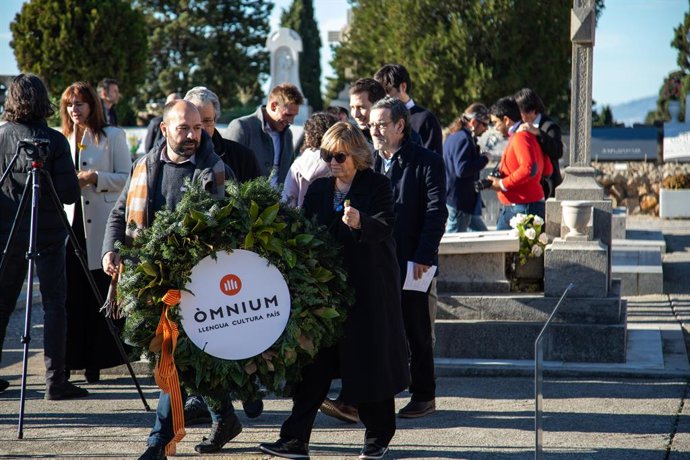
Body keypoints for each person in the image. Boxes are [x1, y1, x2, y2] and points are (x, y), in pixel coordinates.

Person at [259, 122, 409, 460]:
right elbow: (306, 232)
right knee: (315, 365)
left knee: (369, 364)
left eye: (339, 155)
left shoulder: (377, 185)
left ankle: (378, 436)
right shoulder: (317, 188)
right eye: (327, 155)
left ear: (356, 154)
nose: (333, 162)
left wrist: (360, 223)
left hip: (369, 288)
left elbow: (385, 226)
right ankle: (295, 438)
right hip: (326, 291)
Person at [101, 100, 237, 460]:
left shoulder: (217, 171)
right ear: (164, 129)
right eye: (184, 129)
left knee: (172, 357)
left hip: (199, 283)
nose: (193, 135)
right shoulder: (143, 166)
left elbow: (230, 224)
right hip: (152, 281)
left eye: (197, 128)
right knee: (184, 357)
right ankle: (224, 415)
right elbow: (119, 213)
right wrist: (110, 251)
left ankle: (158, 441)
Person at [0, 74, 86, 399]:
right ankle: (56, 381)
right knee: (54, 305)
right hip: (48, 233)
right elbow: (68, 195)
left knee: (2, 304)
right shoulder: (54, 140)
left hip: (7, 234)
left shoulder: (1, 136)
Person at [370, 96, 447, 418]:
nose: (374, 130)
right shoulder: (370, 161)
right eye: (371, 125)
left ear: (400, 126)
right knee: (379, 328)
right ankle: (377, 393)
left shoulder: (426, 162)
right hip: (378, 261)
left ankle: (423, 394)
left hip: (415, 261)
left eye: (381, 124)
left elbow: (435, 213)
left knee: (416, 330)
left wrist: (424, 258)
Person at [60, 81, 132, 383]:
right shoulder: (61, 137)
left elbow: (128, 178)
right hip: (70, 227)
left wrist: (95, 178)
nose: (74, 110)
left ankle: (96, 363)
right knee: (70, 297)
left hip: (101, 227)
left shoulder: (113, 136)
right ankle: (67, 362)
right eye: (69, 105)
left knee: (98, 296)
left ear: (92, 105)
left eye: (79, 104)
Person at [488, 97, 550, 230]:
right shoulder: (530, 136)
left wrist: (501, 184)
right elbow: (547, 169)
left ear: (506, 120)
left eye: (495, 123)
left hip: (521, 207)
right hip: (523, 206)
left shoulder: (520, 137)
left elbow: (528, 168)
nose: (495, 128)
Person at [225, 83, 303, 187]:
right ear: (273, 106)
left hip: (279, 202)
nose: (291, 121)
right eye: (288, 115)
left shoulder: (287, 135)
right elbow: (226, 171)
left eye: (294, 116)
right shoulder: (242, 127)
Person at [184, 86, 261, 183]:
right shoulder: (170, 156)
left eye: (207, 121)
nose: (202, 127)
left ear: (215, 121)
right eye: (196, 121)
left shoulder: (242, 157)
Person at [374, 64, 444, 155]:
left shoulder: (425, 119)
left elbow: (434, 162)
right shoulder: (375, 119)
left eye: (387, 92)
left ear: (403, 87)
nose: (383, 99)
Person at [443, 103, 491, 233]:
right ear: (474, 122)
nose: (487, 129)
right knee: (454, 241)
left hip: (459, 199)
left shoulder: (454, 135)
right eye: (485, 124)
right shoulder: (463, 138)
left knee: (483, 236)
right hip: (460, 202)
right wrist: (484, 159)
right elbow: (462, 169)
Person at [514, 88, 563, 198]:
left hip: (547, 187)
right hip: (528, 187)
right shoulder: (520, 126)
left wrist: (539, 133)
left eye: (520, 112)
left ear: (532, 110)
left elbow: (557, 152)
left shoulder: (550, 127)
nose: (518, 116)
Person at [281, 112, 338, 208]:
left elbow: (287, 199)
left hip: (301, 219)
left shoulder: (299, 163)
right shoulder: (337, 162)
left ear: (309, 135)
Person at [349, 78, 387, 147]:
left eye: (361, 107)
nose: (355, 114)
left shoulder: (396, 138)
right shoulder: (349, 140)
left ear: (378, 105)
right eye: (352, 107)